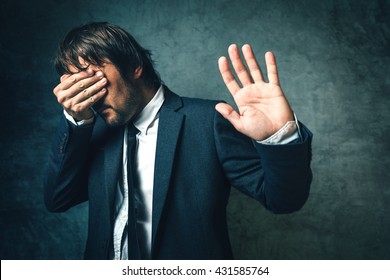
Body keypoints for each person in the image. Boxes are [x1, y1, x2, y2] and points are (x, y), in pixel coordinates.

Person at [44, 22, 312, 260]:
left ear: (134, 66)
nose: (88, 94)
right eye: (76, 84)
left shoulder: (207, 121)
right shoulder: (93, 131)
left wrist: (280, 137)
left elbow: (284, 200)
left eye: (92, 78)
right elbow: (57, 200)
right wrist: (75, 121)